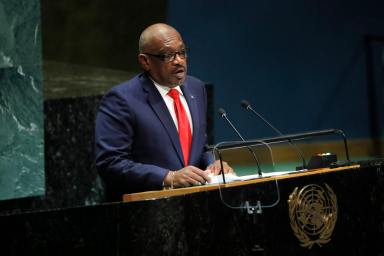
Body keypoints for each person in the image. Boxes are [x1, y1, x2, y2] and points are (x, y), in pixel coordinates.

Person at [95, 23, 232, 199]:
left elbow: (200, 147)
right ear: (145, 61)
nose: (178, 61)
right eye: (167, 55)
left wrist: (213, 163)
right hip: (146, 211)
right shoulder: (121, 100)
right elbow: (110, 163)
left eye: (182, 52)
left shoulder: (196, 88)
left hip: (194, 206)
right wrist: (168, 177)